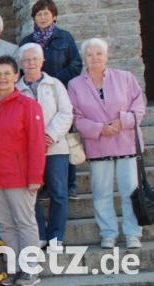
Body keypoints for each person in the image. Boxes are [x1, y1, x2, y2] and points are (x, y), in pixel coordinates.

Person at [0, 56, 46, 286]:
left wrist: (35, 177)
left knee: (25, 223)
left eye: (7, 74)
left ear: (16, 76)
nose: (2, 78)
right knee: (4, 225)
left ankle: (30, 270)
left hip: (19, 177)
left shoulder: (28, 106)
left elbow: (37, 144)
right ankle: (13, 269)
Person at [68, 38, 145, 249]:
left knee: (131, 192)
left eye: (99, 53)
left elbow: (139, 107)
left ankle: (133, 234)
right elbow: (76, 117)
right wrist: (99, 128)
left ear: (107, 55)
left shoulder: (125, 77)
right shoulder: (75, 85)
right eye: (90, 54)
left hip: (126, 143)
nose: (95, 58)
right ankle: (108, 234)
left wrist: (122, 122)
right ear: (84, 58)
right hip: (98, 145)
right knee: (101, 194)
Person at [20, 0, 84, 200]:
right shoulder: (27, 41)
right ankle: (45, 184)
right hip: (33, 94)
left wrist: (52, 81)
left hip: (58, 93)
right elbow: (21, 68)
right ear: (34, 18)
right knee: (37, 140)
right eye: (38, 14)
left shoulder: (65, 37)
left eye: (46, 13)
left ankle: (70, 184)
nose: (42, 17)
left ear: (54, 16)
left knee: (64, 138)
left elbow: (76, 64)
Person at [16, 42, 73, 249]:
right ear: (20, 63)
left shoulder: (54, 84)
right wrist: (33, 141)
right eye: (26, 60)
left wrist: (49, 135)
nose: (31, 63)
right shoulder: (15, 89)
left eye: (35, 59)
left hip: (55, 148)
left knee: (59, 193)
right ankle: (39, 234)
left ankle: (56, 236)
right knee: (31, 194)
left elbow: (66, 112)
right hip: (28, 152)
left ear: (42, 61)